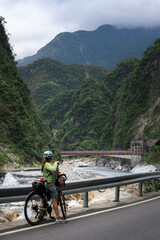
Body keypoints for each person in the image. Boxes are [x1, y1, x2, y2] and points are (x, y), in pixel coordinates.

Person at [41, 150, 66, 223]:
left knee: (45, 200)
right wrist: (55, 163)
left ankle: (40, 216)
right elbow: (53, 169)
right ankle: (58, 217)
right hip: (50, 184)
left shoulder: (44, 164)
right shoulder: (47, 164)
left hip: (46, 184)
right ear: (50, 157)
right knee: (54, 200)